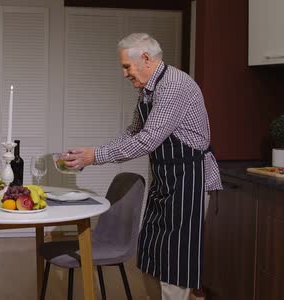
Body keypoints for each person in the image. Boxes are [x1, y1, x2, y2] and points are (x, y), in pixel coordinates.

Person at [63, 33, 222, 300]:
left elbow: (147, 140)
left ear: (146, 58)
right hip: (165, 181)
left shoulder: (174, 86)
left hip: (190, 181)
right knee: (150, 253)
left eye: (126, 66)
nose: (125, 74)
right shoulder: (148, 90)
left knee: (175, 262)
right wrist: (89, 156)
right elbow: (133, 133)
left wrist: (97, 156)